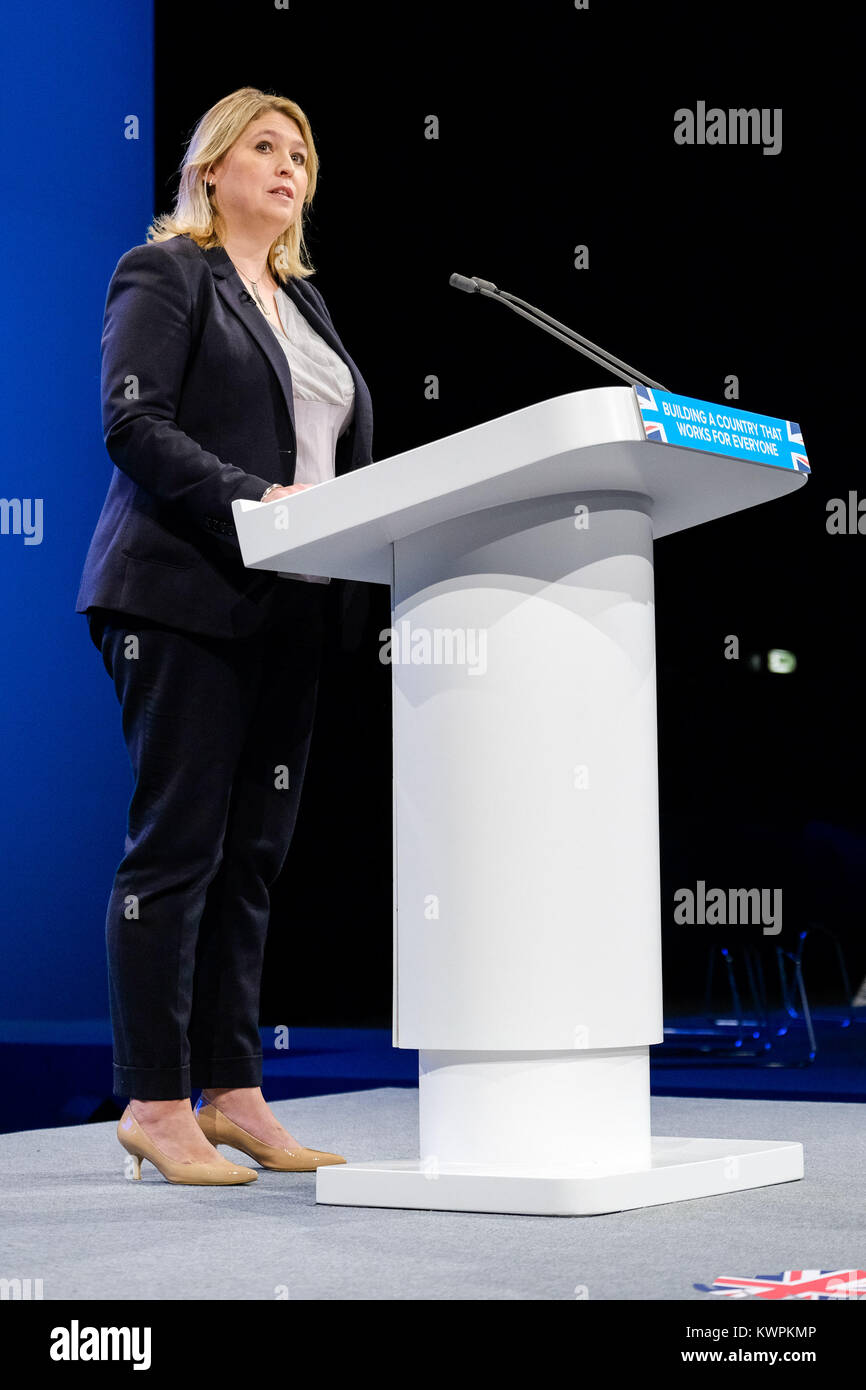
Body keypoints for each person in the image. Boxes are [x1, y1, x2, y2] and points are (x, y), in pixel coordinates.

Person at [75, 86, 374, 1184]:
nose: (289, 165)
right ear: (210, 169)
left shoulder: (306, 307)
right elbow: (133, 421)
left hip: (291, 604)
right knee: (178, 849)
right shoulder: (166, 273)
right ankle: (156, 1102)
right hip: (181, 595)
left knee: (253, 858)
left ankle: (235, 1093)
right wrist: (260, 499)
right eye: (265, 145)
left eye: (301, 151)